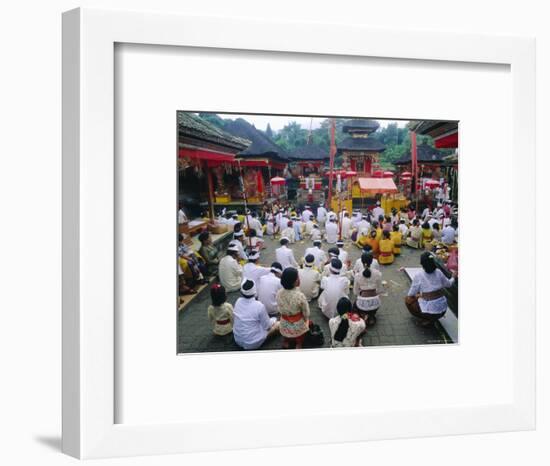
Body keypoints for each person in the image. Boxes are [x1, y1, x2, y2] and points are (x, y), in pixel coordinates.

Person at [405, 252, 456, 326]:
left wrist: (419, 295)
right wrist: (453, 277)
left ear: (422, 264)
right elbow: (449, 284)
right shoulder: (439, 272)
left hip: (430, 312)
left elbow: (410, 294)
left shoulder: (419, 276)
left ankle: (427, 319)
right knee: (421, 295)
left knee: (408, 300)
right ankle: (431, 318)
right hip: (442, 311)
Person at [233, 279, 279, 350]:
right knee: (277, 324)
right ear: (255, 291)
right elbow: (267, 326)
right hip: (252, 343)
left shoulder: (238, 301)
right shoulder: (259, 306)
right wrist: (273, 320)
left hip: (237, 339)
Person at [276, 267, 311, 349]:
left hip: (284, 323)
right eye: (297, 277)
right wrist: (306, 319)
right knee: (300, 334)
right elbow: (306, 312)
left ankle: (286, 342)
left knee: (286, 334)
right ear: (294, 282)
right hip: (297, 324)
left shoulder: (279, 293)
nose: (299, 279)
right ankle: (298, 344)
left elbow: (279, 308)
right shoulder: (300, 296)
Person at [353, 253, 383, 326]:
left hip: (362, 302)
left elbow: (355, 292)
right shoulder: (378, 274)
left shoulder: (358, 275)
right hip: (375, 301)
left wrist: (361, 293)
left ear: (362, 262)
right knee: (373, 305)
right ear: (372, 261)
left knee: (354, 305)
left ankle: (364, 315)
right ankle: (371, 315)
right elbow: (379, 290)